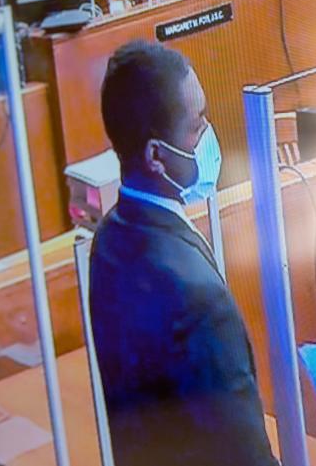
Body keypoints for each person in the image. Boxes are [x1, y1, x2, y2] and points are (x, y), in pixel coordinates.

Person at [90, 41, 279, 466]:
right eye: (197, 127)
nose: (209, 134)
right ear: (156, 155)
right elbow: (245, 453)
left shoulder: (107, 241)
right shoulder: (198, 298)